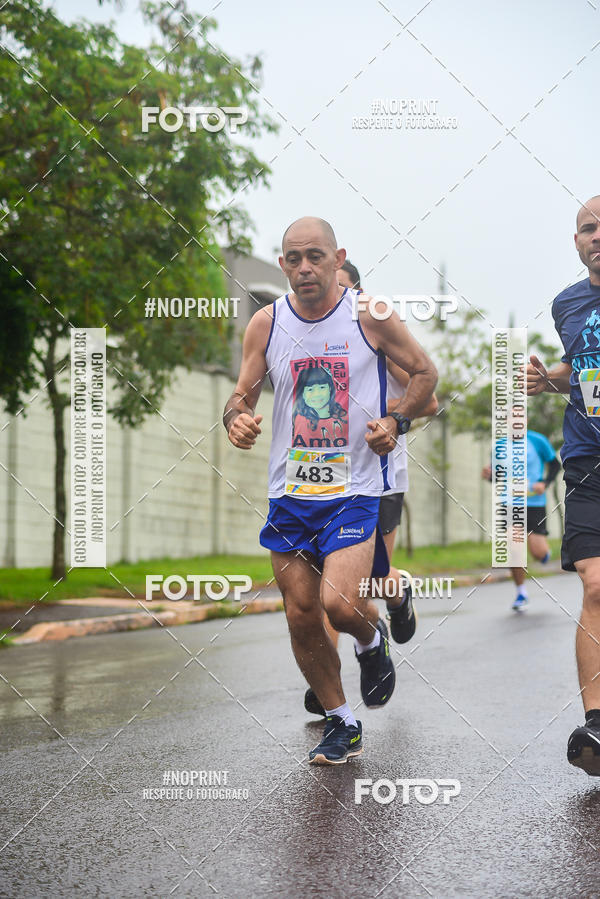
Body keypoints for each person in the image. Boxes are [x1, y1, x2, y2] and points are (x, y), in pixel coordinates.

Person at [224, 217, 437, 764]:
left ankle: (370, 642)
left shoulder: (371, 315)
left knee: (340, 605)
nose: (305, 269)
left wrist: (396, 420)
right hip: (289, 493)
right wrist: (236, 419)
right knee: (300, 613)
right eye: (293, 259)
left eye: (315, 257)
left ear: (338, 257)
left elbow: (425, 375)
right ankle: (341, 719)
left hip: (356, 487)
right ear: (282, 264)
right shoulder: (267, 324)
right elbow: (240, 395)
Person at [303, 260, 438, 718]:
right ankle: (330, 680)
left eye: (339, 292)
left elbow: (430, 398)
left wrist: (390, 418)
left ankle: (395, 594)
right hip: (323, 479)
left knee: (362, 585)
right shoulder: (309, 333)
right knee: (325, 583)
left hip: (378, 481)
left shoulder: (374, 329)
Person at [526, 195, 600, 776]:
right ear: (576, 242)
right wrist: (542, 380)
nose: (596, 236)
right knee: (594, 582)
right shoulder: (567, 304)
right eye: (587, 229)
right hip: (587, 457)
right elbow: (576, 371)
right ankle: (597, 725)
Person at [481, 430, 561, 611]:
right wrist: (488, 475)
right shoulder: (499, 445)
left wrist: (545, 483)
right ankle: (521, 592)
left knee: (538, 552)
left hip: (534, 502)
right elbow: (497, 476)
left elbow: (555, 465)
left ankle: (543, 554)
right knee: (514, 545)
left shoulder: (538, 440)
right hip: (510, 503)